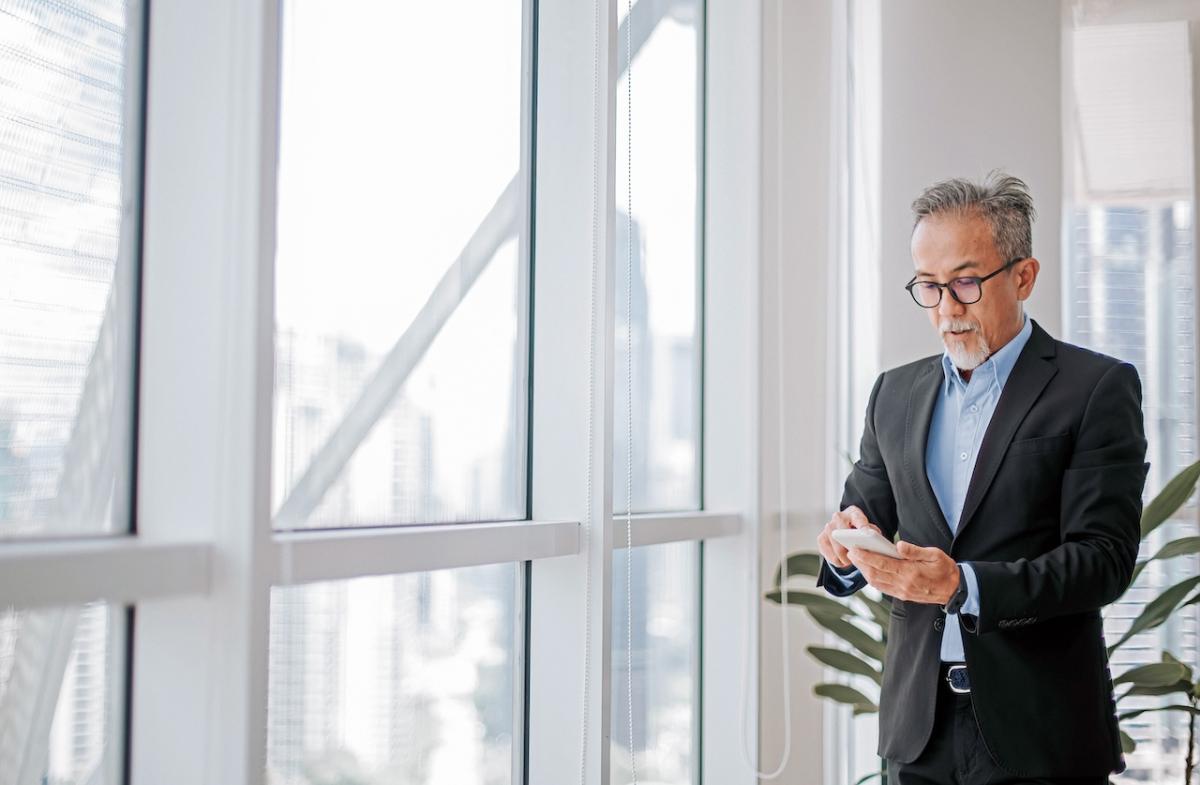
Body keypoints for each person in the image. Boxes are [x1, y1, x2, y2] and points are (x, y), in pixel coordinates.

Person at [815, 171, 1148, 783]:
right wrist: (843, 549)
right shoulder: (894, 393)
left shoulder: (1095, 388)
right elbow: (863, 516)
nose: (947, 310)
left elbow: (1104, 559)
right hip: (918, 730)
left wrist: (963, 585)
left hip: (1039, 729)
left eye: (966, 283)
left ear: (1023, 276)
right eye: (929, 287)